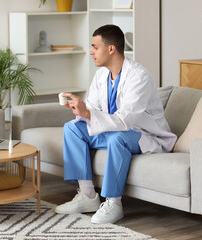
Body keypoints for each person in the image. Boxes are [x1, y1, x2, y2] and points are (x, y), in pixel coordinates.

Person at [54, 24, 177, 224]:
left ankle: (114, 203)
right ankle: (88, 196)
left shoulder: (139, 77)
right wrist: (81, 110)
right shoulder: (101, 74)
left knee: (119, 138)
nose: (91, 52)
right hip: (113, 130)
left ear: (111, 49)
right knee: (72, 128)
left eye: (95, 47)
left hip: (142, 135)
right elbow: (93, 109)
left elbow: (124, 121)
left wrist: (89, 113)